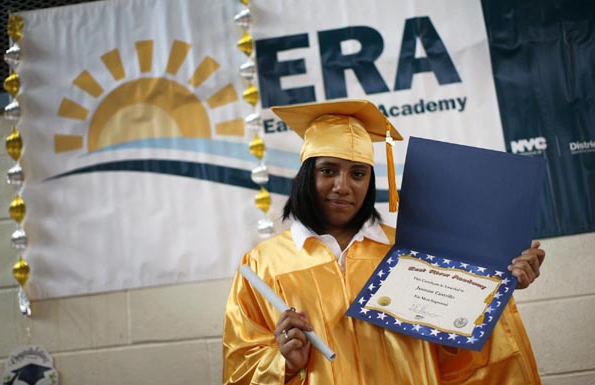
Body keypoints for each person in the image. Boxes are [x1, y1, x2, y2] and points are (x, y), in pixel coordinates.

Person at [223, 99, 545, 384]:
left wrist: (495, 290)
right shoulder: (263, 265)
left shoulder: (410, 250)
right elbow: (240, 368)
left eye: (358, 173)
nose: (342, 186)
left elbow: (455, 352)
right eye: (328, 170)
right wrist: (283, 363)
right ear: (308, 176)